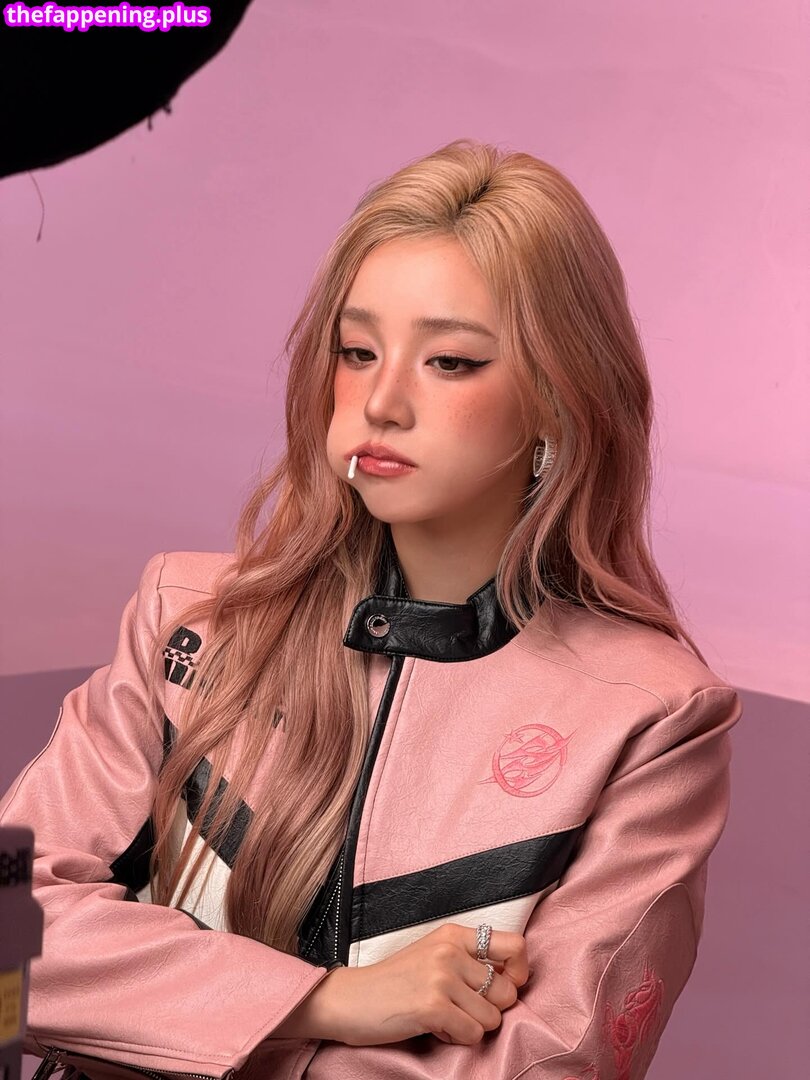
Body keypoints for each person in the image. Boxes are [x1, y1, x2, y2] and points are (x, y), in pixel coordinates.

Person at [1, 138, 742, 1080]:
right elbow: (11, 932)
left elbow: (547, 1065)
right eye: (357, 352)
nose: (382, 402)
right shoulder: (187, 616)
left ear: (560, 399)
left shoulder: (652, 718)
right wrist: (329, 1001)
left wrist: (156, 1024)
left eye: (451, 361)